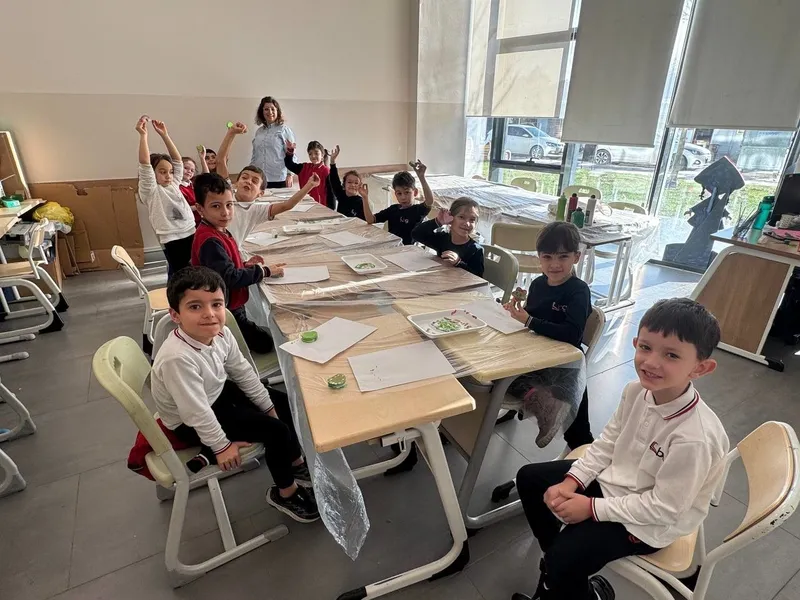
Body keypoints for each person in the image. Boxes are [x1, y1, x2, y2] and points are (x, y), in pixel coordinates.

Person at [512, 298, 729, 600]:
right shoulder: (636, 391)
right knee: (530, 479)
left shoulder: (695, 438)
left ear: (700, 368)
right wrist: (573, 481)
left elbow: (665, 508)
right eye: (646, 347)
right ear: (635, 343)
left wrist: (591, 508)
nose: (651, 362)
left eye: (671, 355)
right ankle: (556, 570)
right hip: (617, 483)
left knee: (565, 558)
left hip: (650, 523)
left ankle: (576, 583)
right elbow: (607, 443)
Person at [151, 266, 319, 523]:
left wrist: (268, 407)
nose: (209, 314)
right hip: (189, 421)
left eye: (216, 304)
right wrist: (221, 446)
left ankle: (294, 462)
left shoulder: (222, 333)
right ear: (175, 315)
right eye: (195, 307)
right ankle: (286, 493)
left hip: (215, 393)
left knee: (282, 404)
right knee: (275, 431)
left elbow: (243, 373)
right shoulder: (177, 358)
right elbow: (195, 412)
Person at [503, 222, 593, 448]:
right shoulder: (537, 284)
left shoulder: (578, 290)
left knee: (578, 429)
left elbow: (572, 334)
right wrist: (515, 313)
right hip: (538, 353)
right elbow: (532, 316)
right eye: (547, 257)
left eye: (563, 257)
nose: (554, 264)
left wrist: (529, 320)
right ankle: (541, 403)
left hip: (566, 362)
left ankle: (582, 449)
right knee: (496, 375)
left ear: (576, 257)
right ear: (539, 258)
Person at [191, 173, 285, 354]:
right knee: (268, 343)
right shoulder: (210, 240)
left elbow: (224, 266)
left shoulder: (219, 229)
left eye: (229, 205)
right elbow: (230, 277)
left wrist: (245, 265)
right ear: (200, 209)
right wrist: (264, 271)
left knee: (266, 333)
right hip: (224, 310)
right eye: (216, 206)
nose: (225, 212)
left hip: (230, 304)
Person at [215, 121, 320, 248]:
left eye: (254, 181)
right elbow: (220, 160)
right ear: (236, 183)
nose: (248, 181)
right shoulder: (228, 193)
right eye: (244, 177)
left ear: (261, 193)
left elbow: (287, 205)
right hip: (213, 245)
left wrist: (309, 185)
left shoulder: (256, 210)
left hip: (231, 251)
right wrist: (231, 133)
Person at [135, 115, 195, 277]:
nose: (168, 175)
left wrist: (165, 135)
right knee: (182, 274)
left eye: (170, 172)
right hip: (172, 238)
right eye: (162, 172)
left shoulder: (173, 183)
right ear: (153, 174)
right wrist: (143, 135)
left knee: (196, 268)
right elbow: (145, 164)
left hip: (191, 230)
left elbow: (178, 161)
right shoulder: (151, 190)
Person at [412, 197, 484, 277]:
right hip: (441, 280)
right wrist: (437, 222)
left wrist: (458, 263)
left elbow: (478, 277)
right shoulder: (443, 239)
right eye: (461, 217)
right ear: (451, 218)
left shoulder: (476, 250)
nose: (467, 223)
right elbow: (416, 234)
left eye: (472, 220)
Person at [365, 161, 433, 245]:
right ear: (395, 194)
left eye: (407, 192)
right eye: (399, 193)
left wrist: (421, 177)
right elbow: (370, 220)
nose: (403, 197)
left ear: (415, 192)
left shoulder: (417, 210)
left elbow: (429, 201)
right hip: (392, 248)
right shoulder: (393, 209)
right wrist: (365, 197)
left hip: (408, 250)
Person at [250, 96, 295, 188]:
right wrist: (250, 172)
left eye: (273, 109)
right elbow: (255, 155)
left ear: (277, 111)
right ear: (262, 112)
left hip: (279, 178)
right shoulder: (259, 132)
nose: (270, 112)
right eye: (266, 109)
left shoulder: (284, 130)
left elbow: (292, 154)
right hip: (260, 178)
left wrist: (290, 174)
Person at [327, 145, 370, 220]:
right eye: (349, 182)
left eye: (356, 183)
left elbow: (365, 221)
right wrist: (332, 161)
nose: (353, 185)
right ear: (344, 185)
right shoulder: (341, 195)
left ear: (360, 186)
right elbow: (334, 180)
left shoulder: (361, 202)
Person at [284, 140, 331, 207]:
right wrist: (290, 151)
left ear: (322, 155)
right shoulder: (304, 167)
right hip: (305, 205)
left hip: (320, 206)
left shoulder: (326, 171)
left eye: (316, 153)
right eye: (310, 154)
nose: (313, 156)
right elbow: (289, 164)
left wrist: (331, 209)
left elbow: (331, 193)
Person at [179, 156, 201, 226]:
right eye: (186, 168)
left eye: (192, 170)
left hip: (201, 220)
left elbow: (207, 177)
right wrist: (199, 207)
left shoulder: (193, 184)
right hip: (189, 224)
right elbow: (182, 209)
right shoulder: (177, 187)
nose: (189, 171)